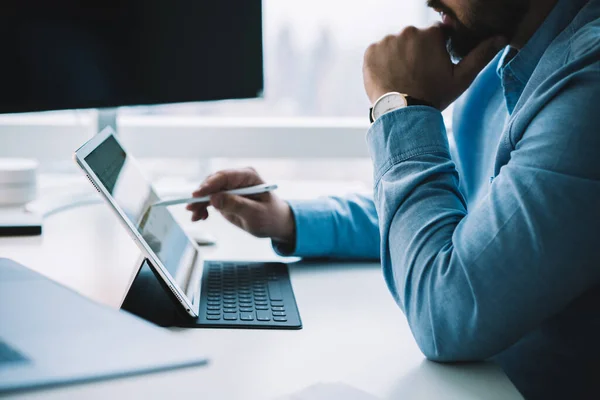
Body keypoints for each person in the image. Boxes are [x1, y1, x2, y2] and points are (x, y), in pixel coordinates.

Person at [188, 0, 600, 397]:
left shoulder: (589, 86)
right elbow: (448, 208)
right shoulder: (503, 60)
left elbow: (446, 315)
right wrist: (290, 219)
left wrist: (402, 109)